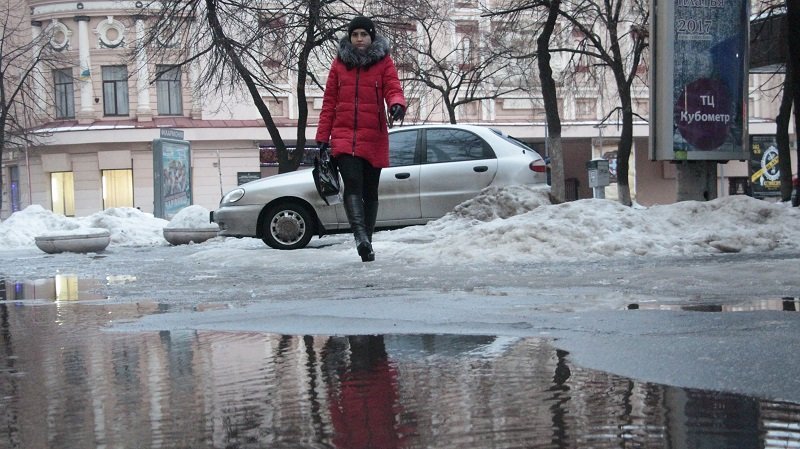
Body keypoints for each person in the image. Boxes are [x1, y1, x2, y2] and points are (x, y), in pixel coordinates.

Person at [316, 15, 407, 262]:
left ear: (371, 37)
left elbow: (393, 88)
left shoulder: (383, 62)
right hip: (344, 136)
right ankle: (360, 238)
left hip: (373, 136)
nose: (359, 39)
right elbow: (329, 103)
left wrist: (397, 104)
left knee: (370, 191)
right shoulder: (339, 64)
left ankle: (368, 240)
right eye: (355, 34)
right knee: (353, 184)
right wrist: (323, 138)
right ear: (350, 37)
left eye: (363, 34)